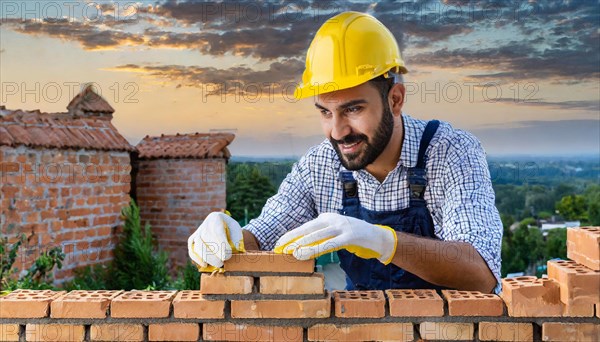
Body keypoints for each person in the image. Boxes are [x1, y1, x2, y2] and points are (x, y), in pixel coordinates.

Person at [188, 11, 502, 293]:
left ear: (395, 99)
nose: (338, 132)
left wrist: (381, 240)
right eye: (325, 112)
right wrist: (226, 239)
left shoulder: (450, 152)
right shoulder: (319, 166)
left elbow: (482, 273)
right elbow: (261, 239)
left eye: (353, 109)